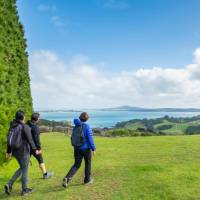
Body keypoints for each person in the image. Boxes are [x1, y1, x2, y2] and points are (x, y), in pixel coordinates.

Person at [5, 111, 40, 196]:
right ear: (23, 117)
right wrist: (35, 149)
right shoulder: (25, 126)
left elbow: (9, 139)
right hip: (23, 151)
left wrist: (9, 151)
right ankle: (24, 190)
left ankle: (9, 184)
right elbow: (30, 139)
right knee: (25, 169)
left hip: (15, 152)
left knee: (23, 167)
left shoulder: (12, 125)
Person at [62, 112, 96, 188]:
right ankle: (87, 180)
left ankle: (67, 178)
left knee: (76, 164)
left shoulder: (76, 126)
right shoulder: (87, 126)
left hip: (76, 148)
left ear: (80, 117)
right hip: (86, 149)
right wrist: (93, 148)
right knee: (88, 163)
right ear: (87, 119)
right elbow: (90, 139)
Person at [27, 113, 53, 179]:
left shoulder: (26, 125)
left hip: (27, 146)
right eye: (39, 118)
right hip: (34, 148)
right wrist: (39, 148)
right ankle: (45, 174)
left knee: (26, 162)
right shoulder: (35, 128)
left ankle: (24, 177)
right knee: (40, 159)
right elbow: (36, 139)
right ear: (37, 119)